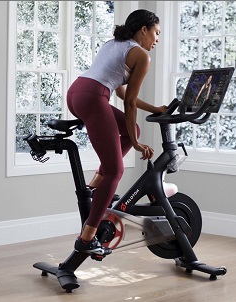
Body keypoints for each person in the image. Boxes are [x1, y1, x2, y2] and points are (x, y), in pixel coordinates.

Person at [67, 9, 167, 258]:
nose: (157, 39)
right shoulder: (141, 55)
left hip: (77, 92)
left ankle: (96, 183)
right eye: (156, 33)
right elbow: (129, 103)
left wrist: (155, 110)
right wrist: (135, 144)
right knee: (117, 170)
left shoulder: (115, 44)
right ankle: (87, 238)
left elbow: (122, 94)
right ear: (143, 29)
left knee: (132, 127)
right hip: (94, 97)